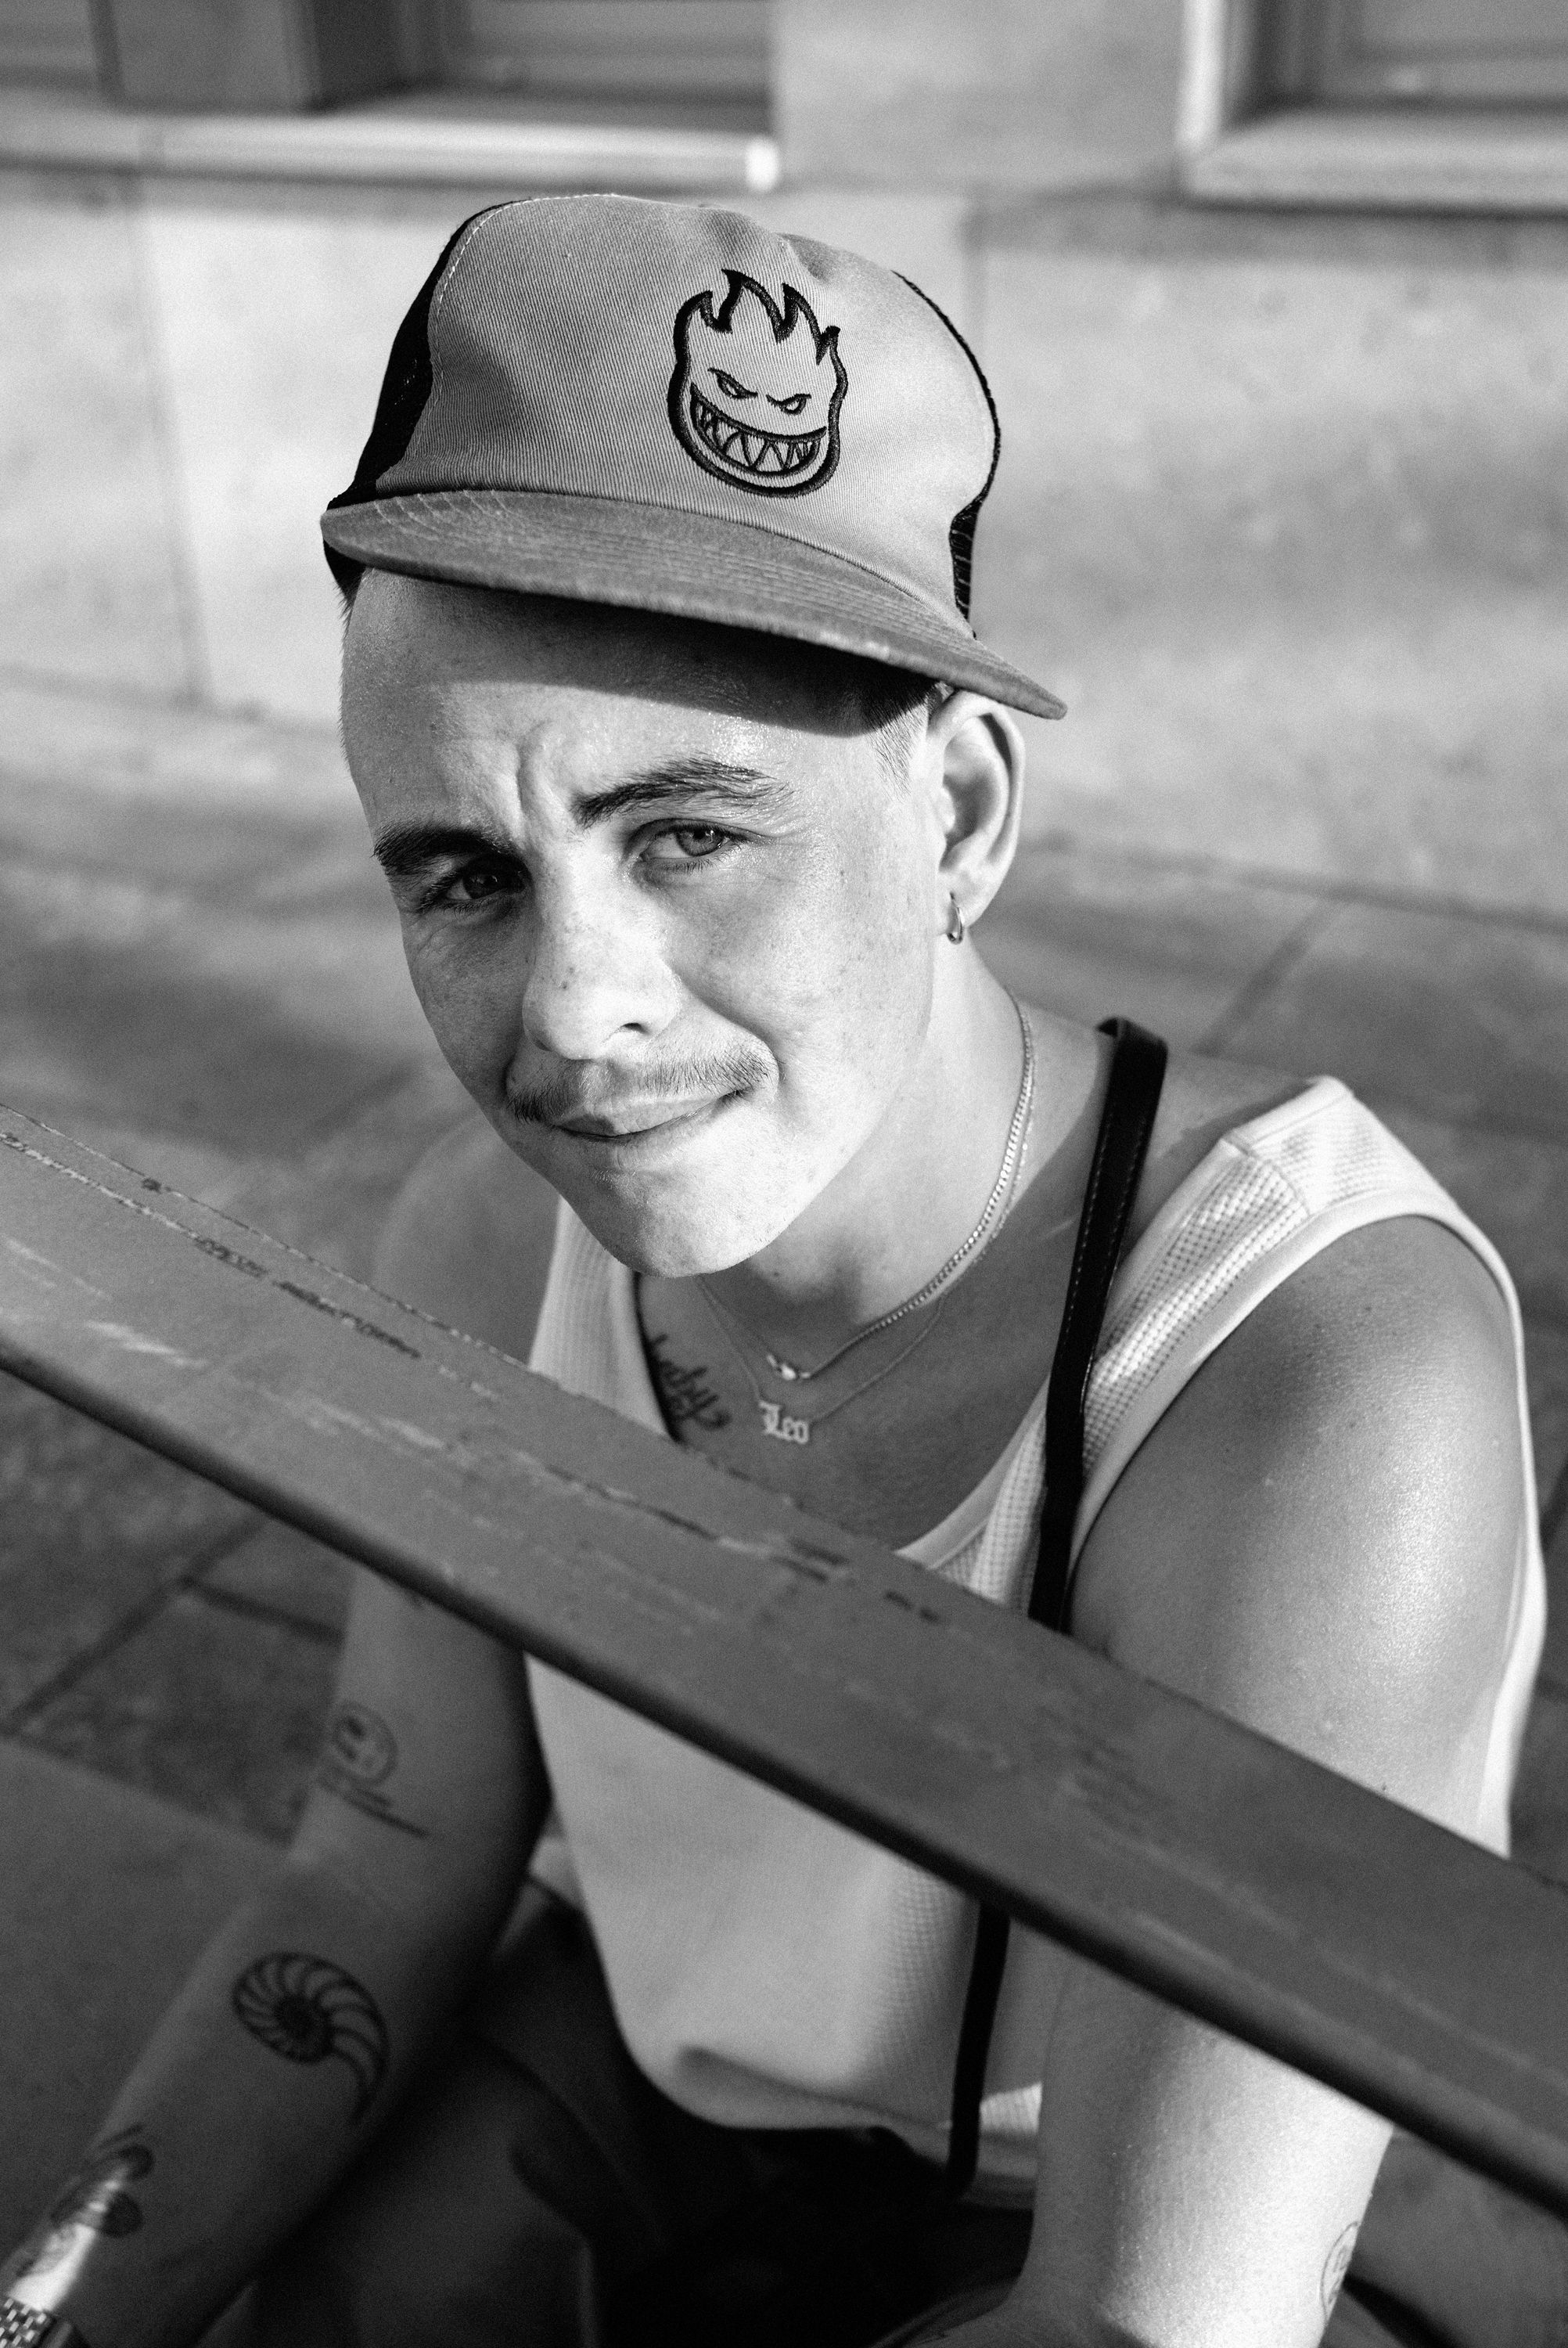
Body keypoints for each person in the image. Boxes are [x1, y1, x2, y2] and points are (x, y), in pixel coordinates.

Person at [0, 196, 1554, 2348]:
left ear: (964, 813)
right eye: (462, 873)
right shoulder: (480, 1246)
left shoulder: (1302, 1357)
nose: (573, 1013)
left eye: (684, 836)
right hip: (670, 2093)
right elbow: (381, 1865)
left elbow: (1152, 2317)